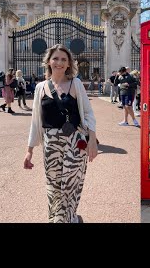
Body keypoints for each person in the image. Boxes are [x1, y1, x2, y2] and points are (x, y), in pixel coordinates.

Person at [24, 44, 98, 223]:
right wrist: (29, 150)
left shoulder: (76, 83)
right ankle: (56, 219)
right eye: (55, 58)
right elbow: (36, 121)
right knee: (54, 186)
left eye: (63, 59)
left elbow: (88, 113)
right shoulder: (40, 88)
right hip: (50, 143)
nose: (59, 62)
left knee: (71, 185)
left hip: (75, 141)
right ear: (49, 61)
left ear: (68, 63)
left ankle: (70, 218)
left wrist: (93, 141)